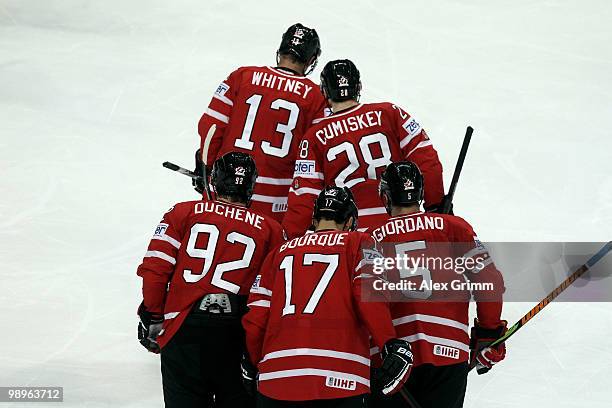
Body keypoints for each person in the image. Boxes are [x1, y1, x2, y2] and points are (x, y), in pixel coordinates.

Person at [241, 186, 413, 408]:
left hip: (277, 381)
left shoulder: (279, 252)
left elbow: (256, 316)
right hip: (341, 379)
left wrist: (254, 362)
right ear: (350, 221)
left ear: (314, 219)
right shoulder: (360, 243)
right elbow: (371, 298)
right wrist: (388, 342)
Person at [136, 152, 285, 408]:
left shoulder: (183, 212)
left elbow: (155, 269)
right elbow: (273, 297)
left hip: (185, 329)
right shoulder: (272, 229)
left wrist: (153, 315)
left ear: (215, 180)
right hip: (236, 334)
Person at [368, 161, 506, 408]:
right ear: (420, 194)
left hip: (394, 361)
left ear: (385, 197)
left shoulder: (369, 239)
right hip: (448, 352)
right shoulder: (454, 227)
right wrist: (488, 332)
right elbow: (489, 280)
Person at [282, 59, 444, 239]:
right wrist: (435, 206)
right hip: (399, 224)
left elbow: (305, 196)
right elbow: (428, 161)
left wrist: (290, 240)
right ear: (358, 86)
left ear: (325, 91)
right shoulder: (390, 113)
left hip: (351, 234)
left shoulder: (314, 137)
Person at [194, 23, 328, 222]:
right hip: (274, 202)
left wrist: (206, 167)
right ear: (311, 60)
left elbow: (211, 128)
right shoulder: (316, 97)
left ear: (280, 51)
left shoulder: (242, 77)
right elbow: (316, 154)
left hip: (224, 190)